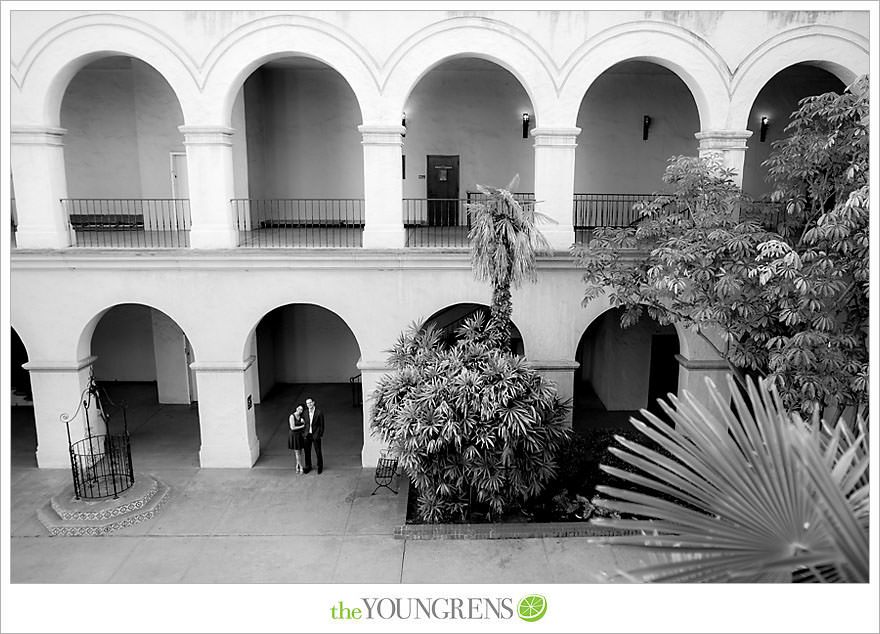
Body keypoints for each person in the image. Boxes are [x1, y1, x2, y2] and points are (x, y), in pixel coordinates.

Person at [302, 397, 325, 474]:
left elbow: (322, 425)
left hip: (315, 435)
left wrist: (320, 434)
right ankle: (308, 466)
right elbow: (304, 423)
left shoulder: (319, 412)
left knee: (318, 451)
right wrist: (304, 433)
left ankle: (320, 466)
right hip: (307, 435)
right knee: (307, 452)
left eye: (310, 402)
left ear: (313, 403)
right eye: (307, 403)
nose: (309, 404)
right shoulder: (305, 413)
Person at [288, 403, 306, 473]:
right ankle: (300, 466)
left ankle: (297, 465)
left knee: (300, 452)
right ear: (296, 408)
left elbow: (306, 423)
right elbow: (292, 428)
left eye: (301, 409)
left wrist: (303, 422)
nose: (300, 410)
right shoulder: (292, 416)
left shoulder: (301, 417)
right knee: (297, 452)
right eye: (299, 409)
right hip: (294, 436)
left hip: (300, 436)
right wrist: (302, 426)